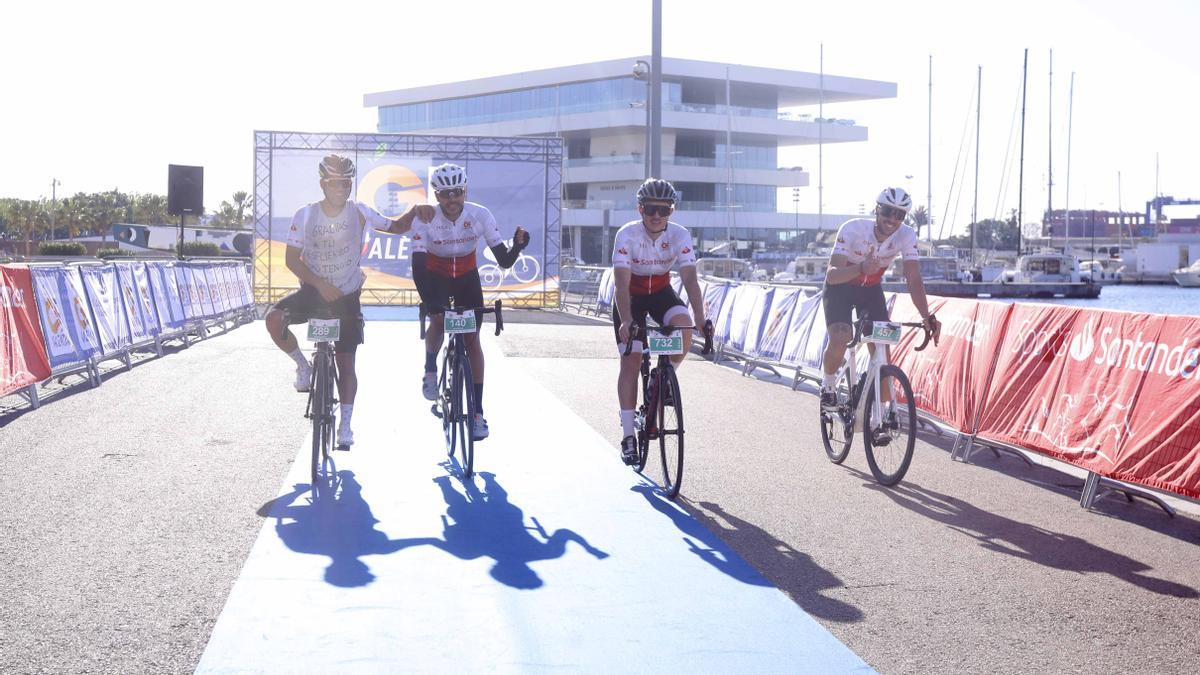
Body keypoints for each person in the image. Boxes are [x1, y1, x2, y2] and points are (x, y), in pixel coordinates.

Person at [265, 154, 420, 450]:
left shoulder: (360, 211)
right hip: (313, 291)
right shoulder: (306, 214)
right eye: (336, 183)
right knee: (273, 319)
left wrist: (418, 210)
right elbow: (290, 260)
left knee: (346, 362)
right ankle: (303, 366)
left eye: (346, 183)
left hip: (347, 295)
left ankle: (345, 425)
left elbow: (397, 228)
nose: (341, 189)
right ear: (323, 184)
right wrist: (320, 284)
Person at [376, 163, 529, 441]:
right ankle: (431, 369)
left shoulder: (480, 214)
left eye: (457, 192)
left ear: (465, 190)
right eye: (445, 194)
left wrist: (518, 246)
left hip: (468, 280)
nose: (452, 199)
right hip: (436, 277)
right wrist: (431, 303)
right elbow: (419, 266)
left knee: (473, 342)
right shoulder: (425, 218)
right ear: (436, 195)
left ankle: (478, 413)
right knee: (437, 319)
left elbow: (504, 260)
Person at [819, 186, 941, 414]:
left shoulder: (906, 235)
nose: (892, 219)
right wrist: (861, 267)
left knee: (883, 352)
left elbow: (913, 279)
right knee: (841, 336)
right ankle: (828, 385)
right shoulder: (853, 229)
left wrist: (926, 317)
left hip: (871, 289)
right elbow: (832, 275)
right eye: (887, 211)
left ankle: (883, 415)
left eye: (900, 214)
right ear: (876, 210)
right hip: (841, 287)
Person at [612, 178, 705, 465]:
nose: (656, 216)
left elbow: (689, 277)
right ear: (640, 209)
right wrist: (627, 320)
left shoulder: (680, 235)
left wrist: (701, 318)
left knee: (685, 326)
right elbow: (621, 283)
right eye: (650, 209)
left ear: (671, 212)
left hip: (661, 293)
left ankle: (661, 379)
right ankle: (629, 436)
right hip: (631, 297)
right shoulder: (627, 235)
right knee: (631, 358)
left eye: (663, 210)